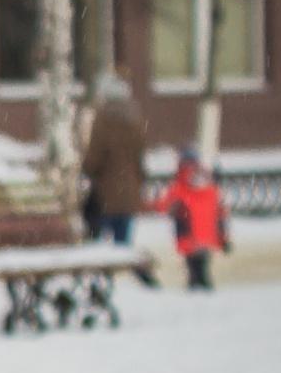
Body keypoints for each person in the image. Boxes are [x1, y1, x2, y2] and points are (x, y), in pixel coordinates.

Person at [81, 72, 147, 246]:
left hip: (105, 191)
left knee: (98, 243)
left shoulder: (103, 118)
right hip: (129, 191)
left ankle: (103, 272)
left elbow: (95, 155)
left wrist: (86, 169)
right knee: (123, 242)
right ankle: (120, 267)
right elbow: (139, 156)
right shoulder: (136, 118)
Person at [154, 147, 232, 291]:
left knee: (194, 269)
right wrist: (223, 236)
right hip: (208, 233)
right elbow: (221, 210)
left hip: (188, 232)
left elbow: (165, 206)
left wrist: (154, 203)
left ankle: (197, 292)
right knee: (203, 267)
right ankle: (204, 292)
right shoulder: (209, 183)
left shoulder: (180, 184)